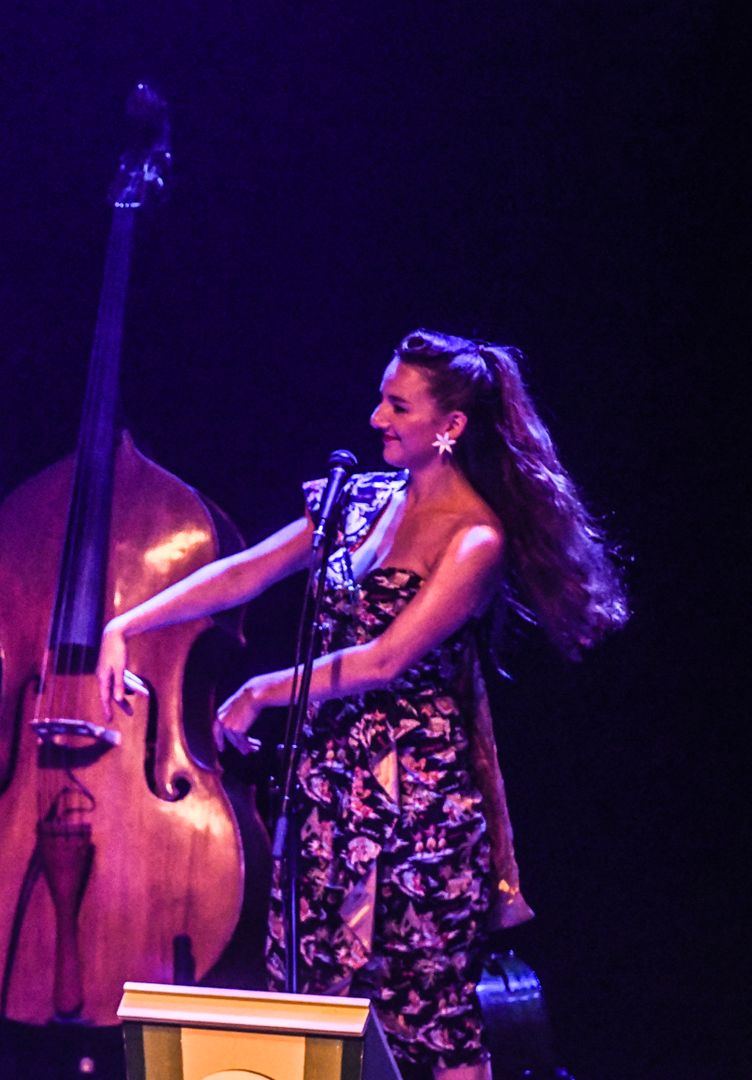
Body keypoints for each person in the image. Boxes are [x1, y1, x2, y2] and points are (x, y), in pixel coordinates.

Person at [96, 330, 625, 1080]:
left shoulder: (475, 540)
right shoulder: (360, 501)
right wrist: (127, 623)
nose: (376, 416)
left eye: (397, 404)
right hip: (328, 794)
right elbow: (245, 573)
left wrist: (261, 691)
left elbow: (385, 660)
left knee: (428, 1016)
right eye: (381, 396)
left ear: (451, 427)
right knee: (315, 1003)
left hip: (420, 809)